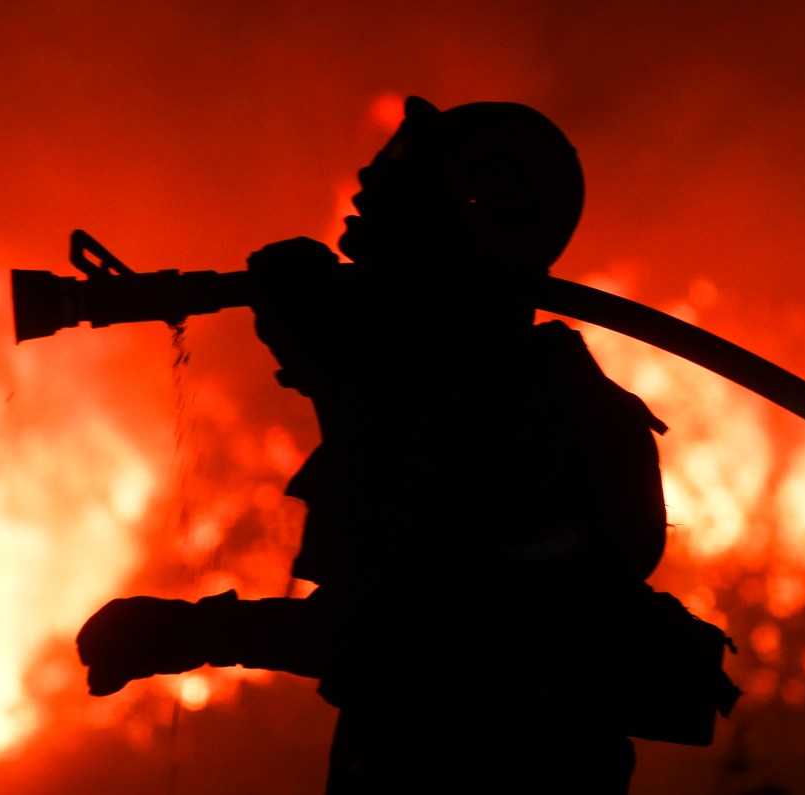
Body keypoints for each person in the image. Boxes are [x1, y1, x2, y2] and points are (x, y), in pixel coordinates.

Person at [77, 96, 716, 793]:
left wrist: (196, 632)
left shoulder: (504, 419)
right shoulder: (455, 395)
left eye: (390, 219)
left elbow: (417, 638)